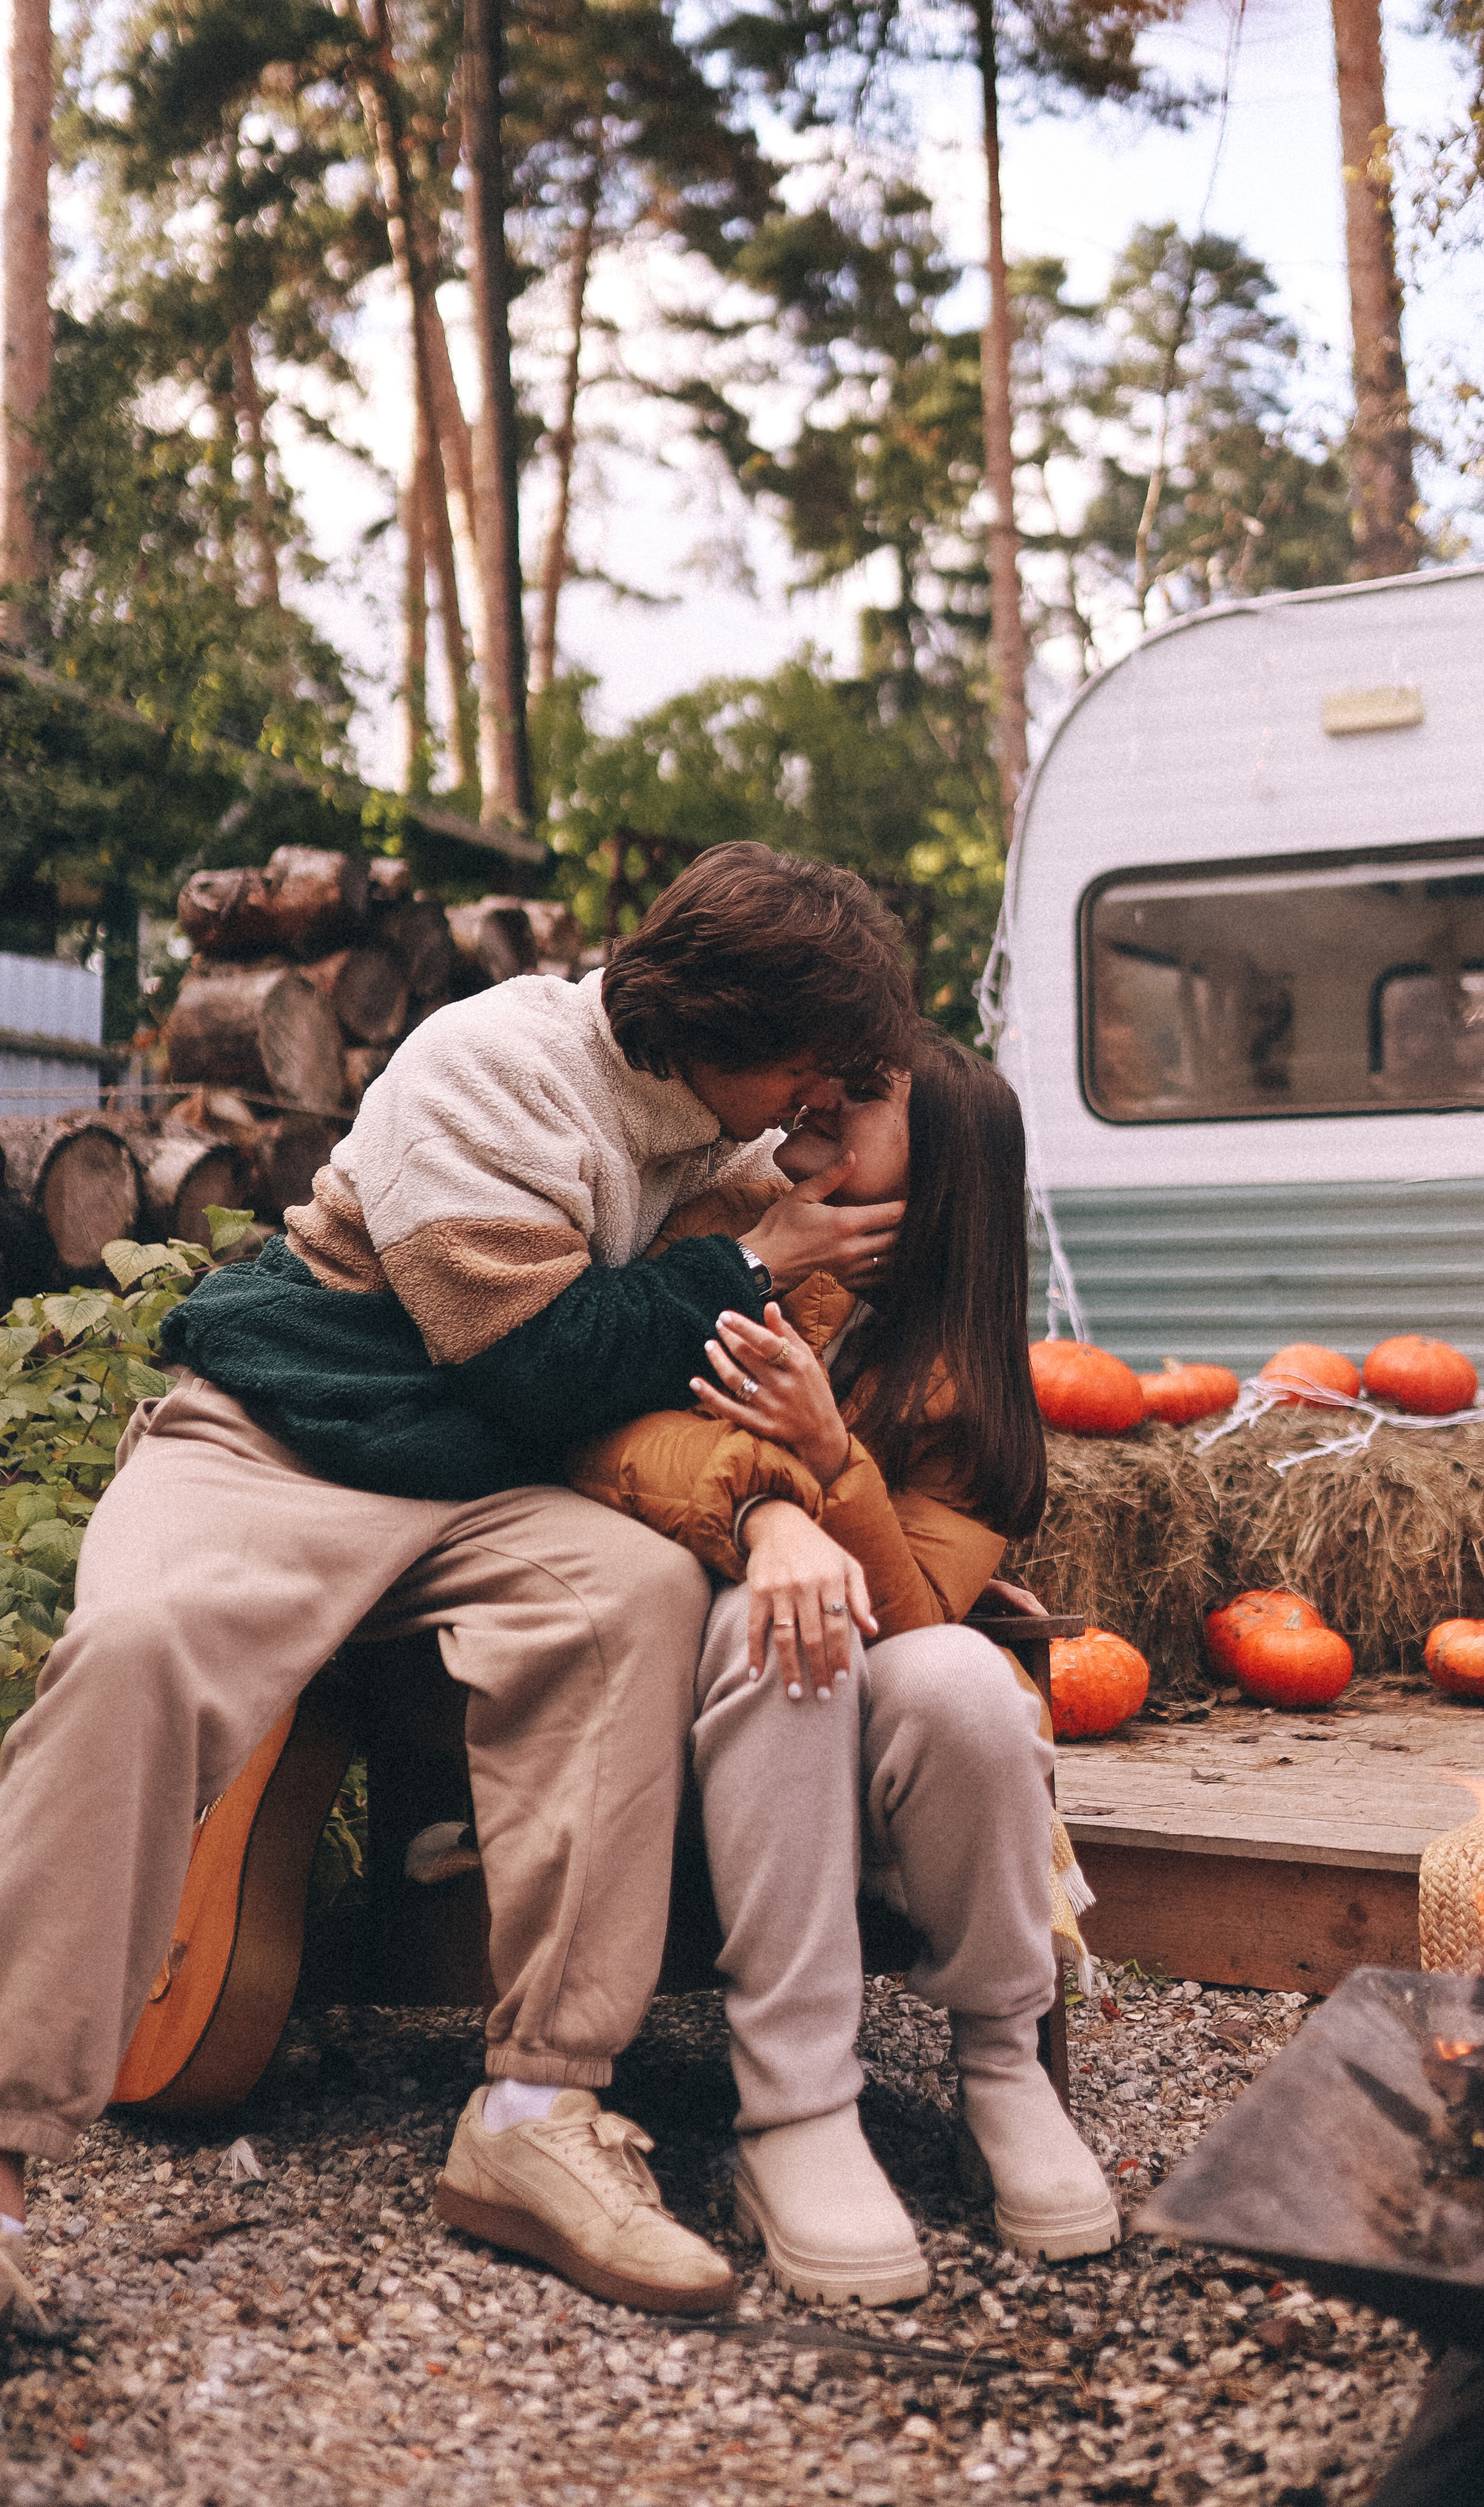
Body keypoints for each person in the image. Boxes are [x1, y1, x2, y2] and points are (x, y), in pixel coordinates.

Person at [0, 843, 915, 2325]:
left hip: (477, 1480)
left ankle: (535, 2119)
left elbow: (775, 1232)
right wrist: (746, 1254)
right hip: (291, 1431)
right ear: (724, 1026)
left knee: (626, 1598)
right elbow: (537, 1359)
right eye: (809, 1074)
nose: (815, 1111)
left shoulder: (714, 1124)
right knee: (138, 1647)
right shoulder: (489, 1062)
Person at [571, 1031, 1120, 2304]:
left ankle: (1003, 2064)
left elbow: (921, 1618)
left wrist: (835, 1456)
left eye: (861, 1102)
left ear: (931, 1185)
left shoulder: (966, 1386)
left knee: (973, 1681)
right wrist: (768, 1509)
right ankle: (796, 2110)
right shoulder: (731, 1238)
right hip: (689, 1678)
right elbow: (607, 1427)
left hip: (868, 1748)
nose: (814, 1107)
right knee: (790, 1639)